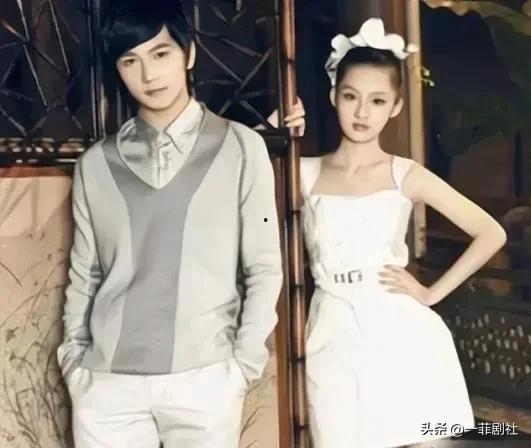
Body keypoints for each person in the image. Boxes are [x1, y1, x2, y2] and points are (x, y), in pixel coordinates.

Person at [56, 0, 301, 446]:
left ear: (189, 54)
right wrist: (74, 362)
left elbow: (265, 266)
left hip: (205, 383)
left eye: (160, 53)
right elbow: (84, 274)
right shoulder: (95, 165)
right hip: (107, 388)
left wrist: (242, 366)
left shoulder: (242, 148)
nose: (148, 74)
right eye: (130, 60)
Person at [300, 18, 507, 448]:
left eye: (377, 100)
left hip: (400, 334)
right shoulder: (303, 173)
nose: (362, 112)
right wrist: (276, 132)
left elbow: (491, 233)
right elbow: (238, 185)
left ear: (395, 106)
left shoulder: (405, 174)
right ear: (333, 95)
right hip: (331, 332)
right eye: (351, 96)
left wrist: (431, 293)